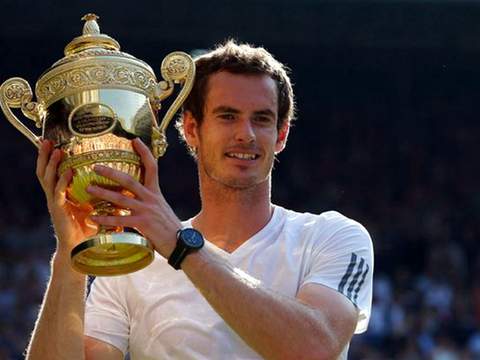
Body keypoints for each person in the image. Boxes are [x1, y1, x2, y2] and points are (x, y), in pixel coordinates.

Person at [26, 40, 373, 360]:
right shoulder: (133, 265)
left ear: (280, 135)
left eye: (261, 119)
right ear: (191, 129)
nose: (245, 134)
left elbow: (316, 349)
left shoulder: (332, 236)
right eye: (227, 116)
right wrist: (70, 257)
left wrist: (181, 246)